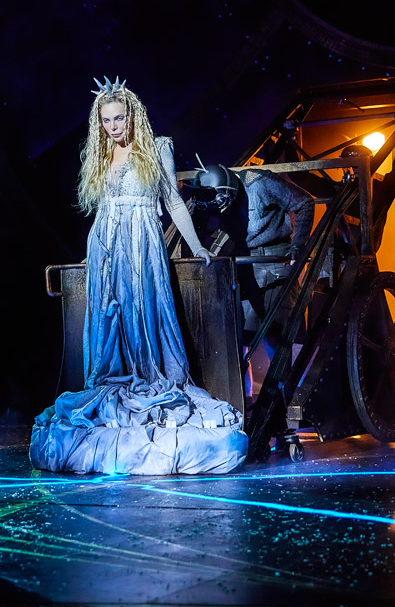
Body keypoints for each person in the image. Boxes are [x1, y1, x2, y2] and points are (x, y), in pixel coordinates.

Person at [29, 77, 247, 475]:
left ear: (133, 115)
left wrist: (196, 245)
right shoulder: (100, 157)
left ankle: (150, 373)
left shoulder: (157, 148)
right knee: (109, 320)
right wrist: (94, 254)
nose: (114, 127)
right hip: (107, 245)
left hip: (142, 242)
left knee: (143, 311)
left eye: (120, 118)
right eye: (107, 121)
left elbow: (173, 201)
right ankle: (114, 378)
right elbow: (102, 211)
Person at [190, 162, 314, 398]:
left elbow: (304, 202)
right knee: (238, 342)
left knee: (277, 342)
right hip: (243, 266)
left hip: (274, 266)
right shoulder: (211, 197)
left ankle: (287, 410)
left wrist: (298, 248)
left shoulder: (260, 183)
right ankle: (243, 407)